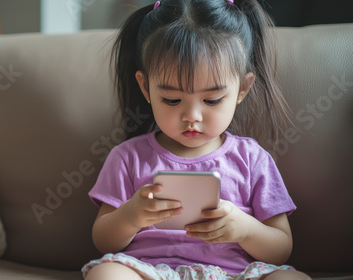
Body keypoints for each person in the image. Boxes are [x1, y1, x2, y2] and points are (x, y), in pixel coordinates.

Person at [82, 0, 312, 279]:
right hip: (150, 271)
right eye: (171, 99)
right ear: (145, 87)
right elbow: (103, 242)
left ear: (242, 88)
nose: (192, 116)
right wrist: (130, 216)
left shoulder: (252, 159)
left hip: (233, 274)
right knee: (105, 274)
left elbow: (281, 248)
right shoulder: (127, 157)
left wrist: (245, 228)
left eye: (212, 100)